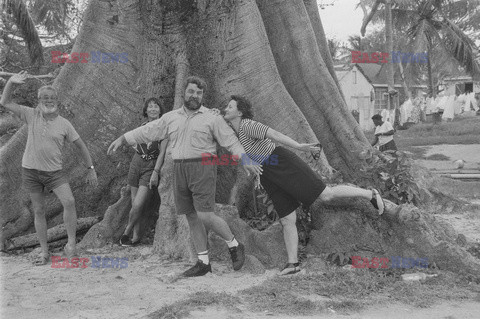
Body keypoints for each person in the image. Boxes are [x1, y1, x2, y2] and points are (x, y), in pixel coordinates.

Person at [107, 76, 263, 277]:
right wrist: (123, 138)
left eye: (199, 93)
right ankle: (203, 262)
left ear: (202, 96)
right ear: (184, 92)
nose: (195, 96)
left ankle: (234, 244)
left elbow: (230, 141)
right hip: (179, 169)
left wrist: (245, 159)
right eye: (191, 91)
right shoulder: (170, 117)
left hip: (203, 168)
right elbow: (148, 131)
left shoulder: (212, 117)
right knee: (190, 215)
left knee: (205, 214)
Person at [221, 95, 385, 275]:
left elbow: (274, 134)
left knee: (326, 194)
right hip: (268, 174)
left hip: (282, 163)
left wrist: (299, 146)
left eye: (230, 107)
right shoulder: (235, 132)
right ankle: (293, 264)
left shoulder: (247, 125)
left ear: (240, 112)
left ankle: (370, 195)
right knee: (286, 219)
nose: (226, 109)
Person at [0, 71, 98, 265]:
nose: (49, 100)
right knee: (38, 210)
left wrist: (91, 168)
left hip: (54, 173)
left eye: (52, 98)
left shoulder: (64, 124)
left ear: (57, 101)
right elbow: (5, 102)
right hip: (31, 171)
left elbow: (81, 146)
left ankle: (71, 245)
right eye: (45, 97)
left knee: (69, 202)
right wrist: (11, 82)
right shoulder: (31, 114)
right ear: (39, 100)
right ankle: (44, 252)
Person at [119, 98, 168, 247]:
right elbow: (134, 140)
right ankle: (135, 238)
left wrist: (155, 171)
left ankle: (126, 232)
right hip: (136, 163)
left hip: (150, 166)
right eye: (150, 107)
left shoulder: (164, 129)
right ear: (145, 111)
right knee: (135, 203)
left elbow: (162, 153)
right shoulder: (142, 127)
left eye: (156, 107)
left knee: (139, 203)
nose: (153, 109)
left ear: (160, 110)